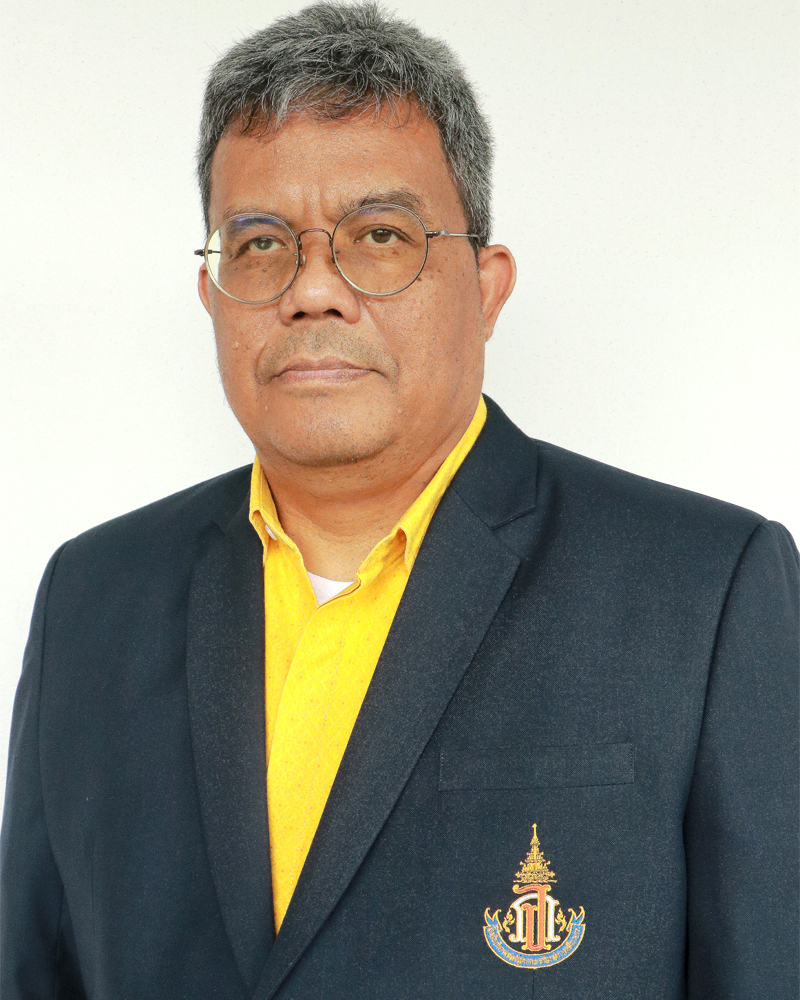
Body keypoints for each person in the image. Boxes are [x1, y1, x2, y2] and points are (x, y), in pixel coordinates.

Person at [1, 2, 797, 997]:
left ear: (487, 286)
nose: (312, 290)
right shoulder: (93, 598)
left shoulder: (704, 592)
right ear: (211, 295)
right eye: (259, 243)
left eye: (379, 235)